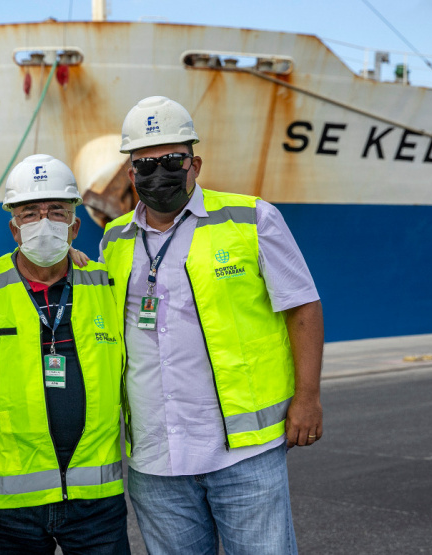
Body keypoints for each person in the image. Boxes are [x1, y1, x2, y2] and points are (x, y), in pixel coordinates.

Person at [99, 96, 325, 554]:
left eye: (171, 162)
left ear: (195, 164)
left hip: (242, 451)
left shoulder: (252, 218)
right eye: (145, 165)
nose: (157, 174)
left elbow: (302, 306)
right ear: (130, 176)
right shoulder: (113, 239)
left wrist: (308, 397)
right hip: (155, 458)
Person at [0, 154, 130, 554]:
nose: (44, 222)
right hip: (12, 503)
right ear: (14, 229)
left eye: (56, 212)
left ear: (75, 226)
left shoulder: (108, 283)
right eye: (30, 213)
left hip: (96, 500)